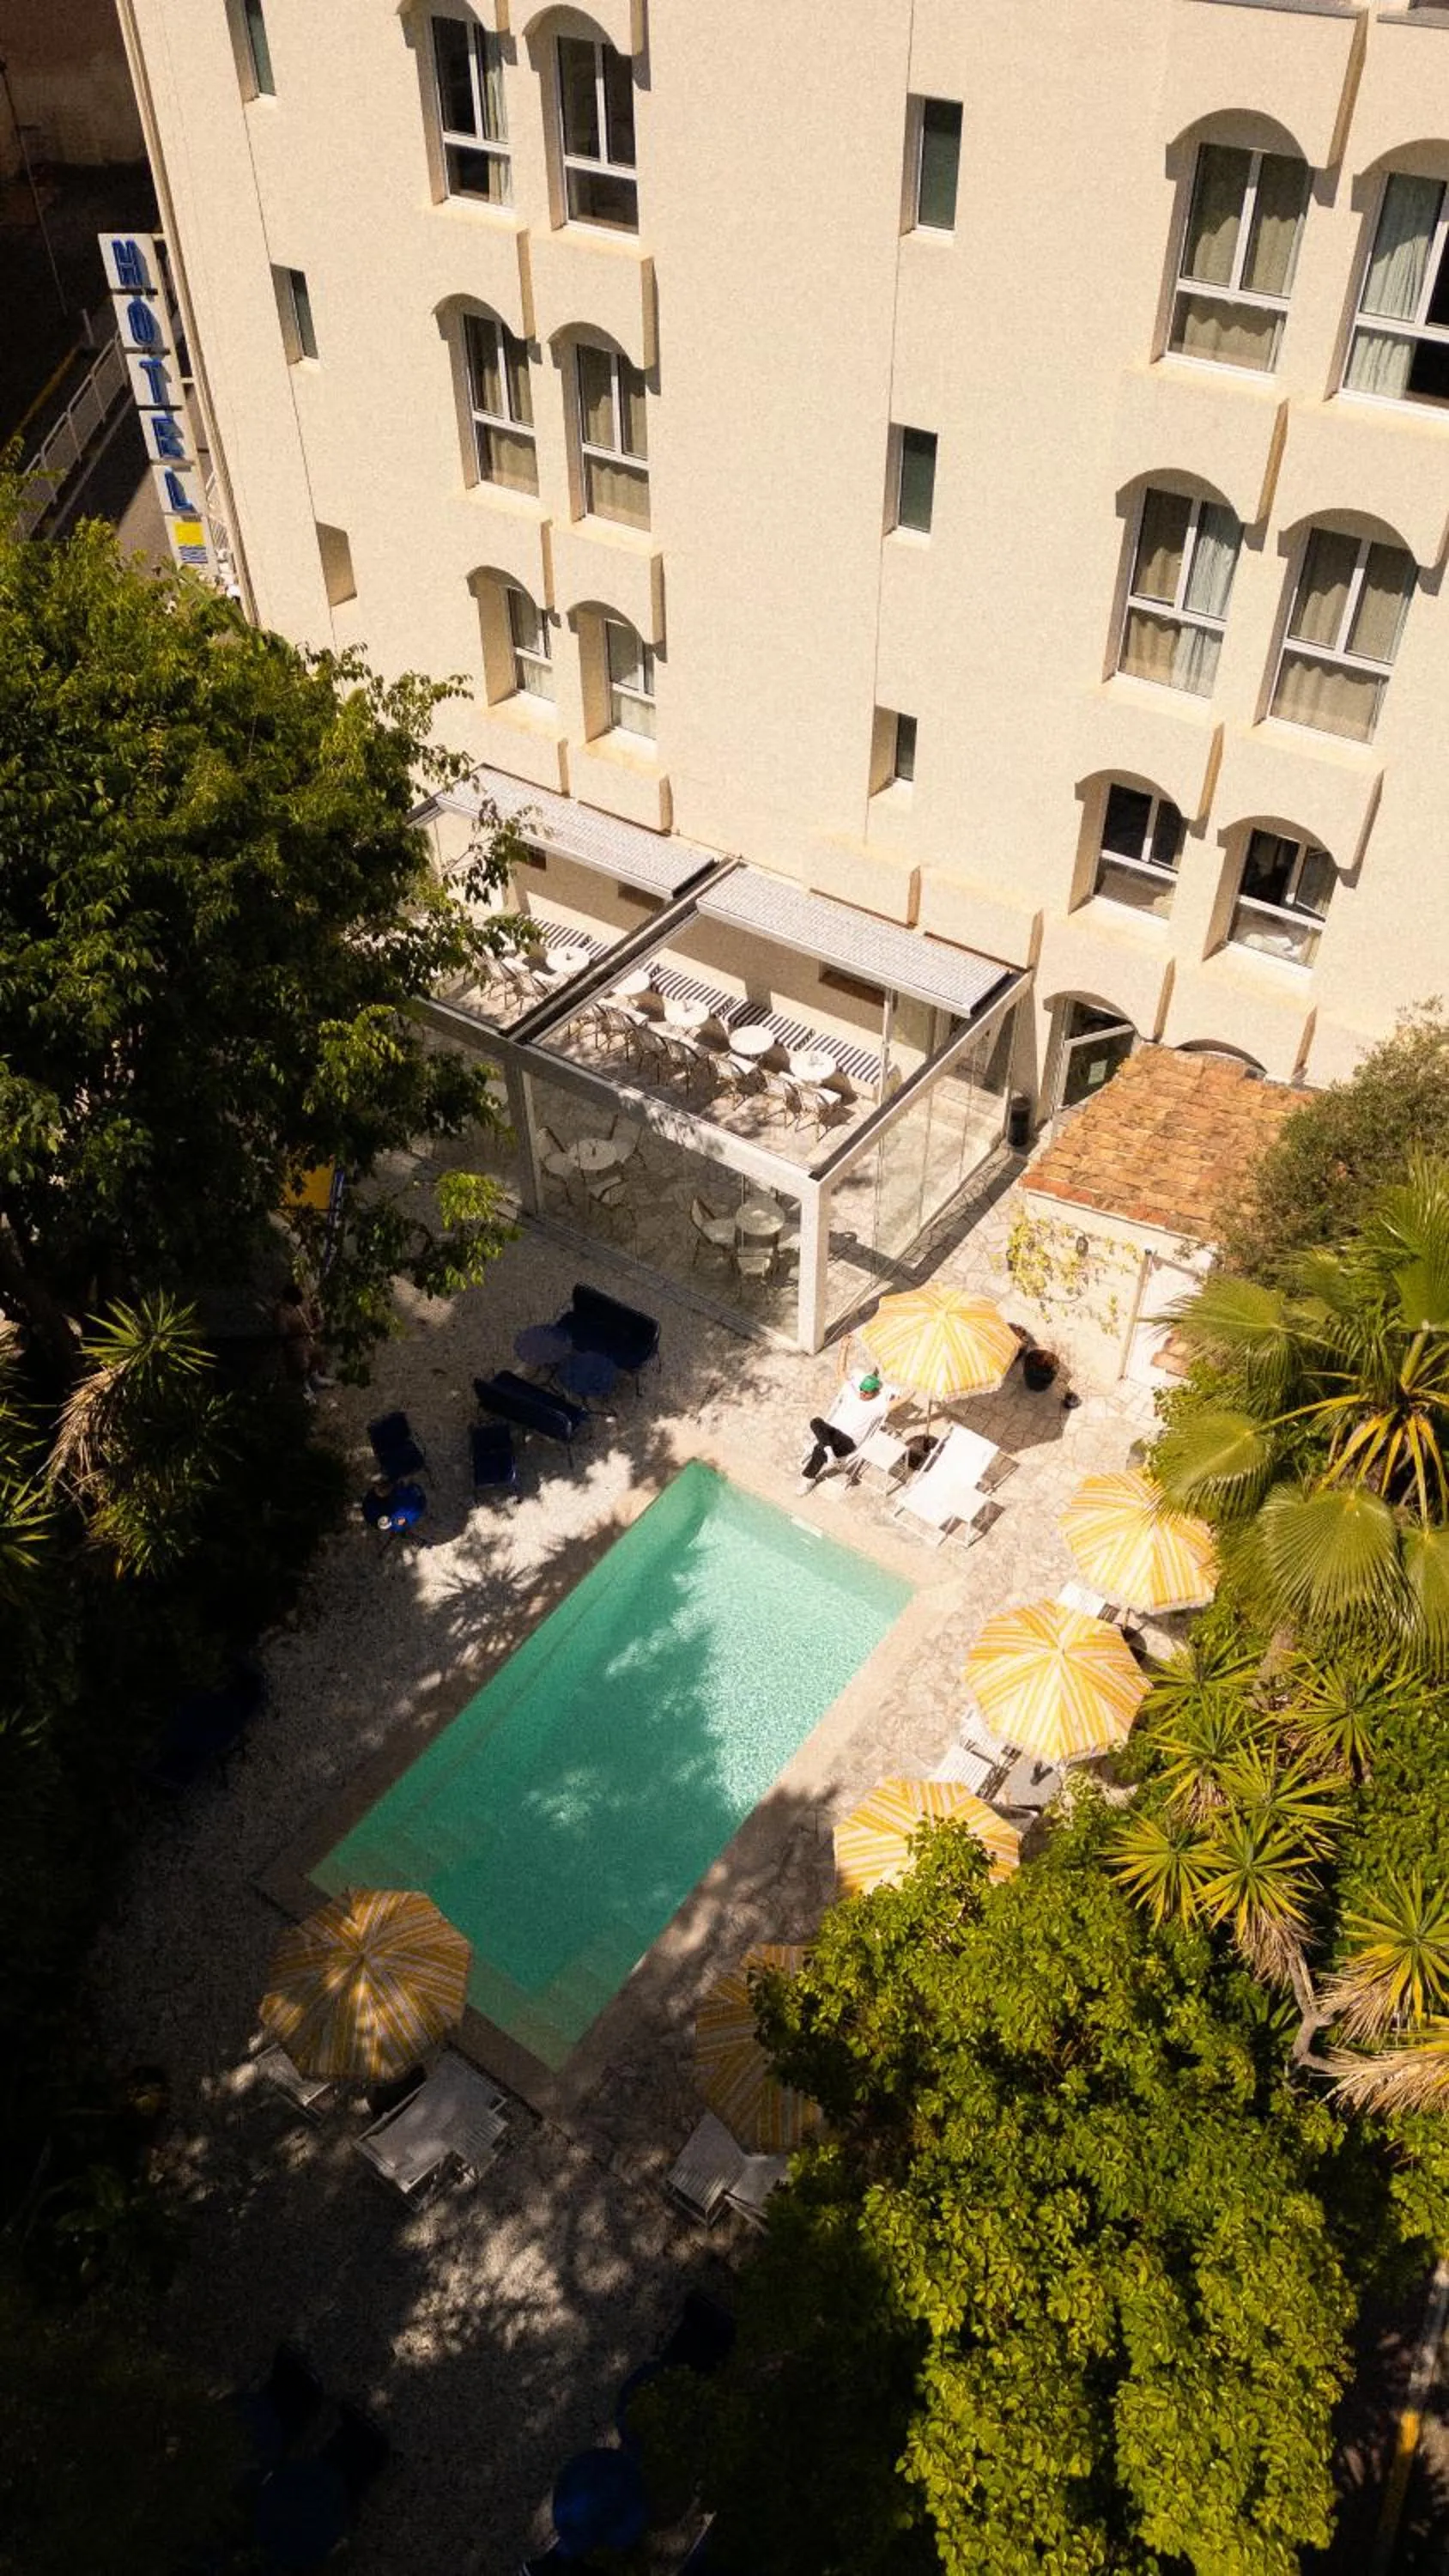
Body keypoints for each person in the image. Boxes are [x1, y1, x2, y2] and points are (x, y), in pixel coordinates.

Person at [799, 1368, 885, 1486]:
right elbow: (841, 1370)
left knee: (819, 1449)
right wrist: (844, 1348)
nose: (863, 1393)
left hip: (848, 1441)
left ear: (876, 1393)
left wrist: (915, 1387)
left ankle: (808, 1478)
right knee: (816, 1421)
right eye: (861, 1389)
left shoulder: (878, 1407)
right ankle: (829, 1452)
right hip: (832, 1432)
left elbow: (900, 1401)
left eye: (867, 1392)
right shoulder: (851, 1393)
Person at [275, 1277, 335, 1398]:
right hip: (295, 1342)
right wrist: (298, 1336)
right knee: (301, 1357)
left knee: (317, 1350)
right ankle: (303, 1386)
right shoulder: (282, 1311)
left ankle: (315, 1375)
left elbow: (314, 1315)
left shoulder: (302, 1303)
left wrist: (317, 1323)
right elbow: (283, 1332)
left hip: (309, 1337)